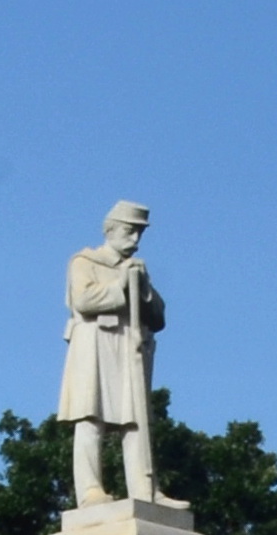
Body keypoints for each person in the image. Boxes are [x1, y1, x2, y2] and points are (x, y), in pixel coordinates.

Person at [61, 201, 166, 509]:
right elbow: (83, 299)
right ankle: (90, 489)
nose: (134, 240)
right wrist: (121, 286)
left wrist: (143, 288)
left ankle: (145, 489)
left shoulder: (136, 269)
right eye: (129, 231)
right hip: (94, 343)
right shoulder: (85, 261)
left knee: (135, 420)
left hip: (128, 344)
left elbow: (159, 316)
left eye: (138, 234)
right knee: (91, 416)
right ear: (111, 230)